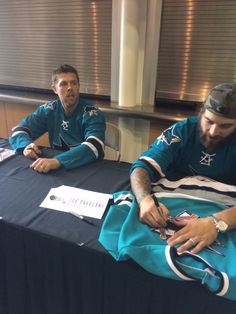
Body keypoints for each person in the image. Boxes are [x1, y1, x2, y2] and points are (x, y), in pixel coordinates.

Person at [130, 83, 236, 254]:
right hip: (174, 208)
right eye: (208, 121)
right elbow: (142, 167)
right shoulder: (182, 130)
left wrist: (216, 223)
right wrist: (145, 200)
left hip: (223, 214)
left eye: (225, 126)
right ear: (201, 113)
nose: (213, 132)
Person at [9, 64, 105, 173]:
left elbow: (95, 146)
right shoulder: (49, 110)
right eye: (63, 84)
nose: (70, 88)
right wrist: (26, 145)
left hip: (88, 169)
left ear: (78, 86)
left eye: (73, 83)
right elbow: (18, 131)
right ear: (54, 89)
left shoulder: (92, 112)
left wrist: (57, 161)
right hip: (58, 169)